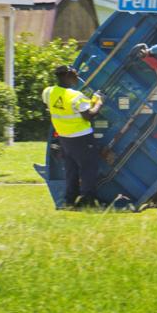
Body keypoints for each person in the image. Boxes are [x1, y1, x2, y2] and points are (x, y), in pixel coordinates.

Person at [44, 65, 104, 207]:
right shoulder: (76, 96)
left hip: (64, 138)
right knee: (88, 168)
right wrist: (99, 102)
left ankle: (70, 200)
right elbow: (89, 115)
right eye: (75, 75)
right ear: (67, 76)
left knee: (71, 169)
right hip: (82, 138)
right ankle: (88, 201)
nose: (77, 78)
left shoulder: (48, 92)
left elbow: (58, 108)